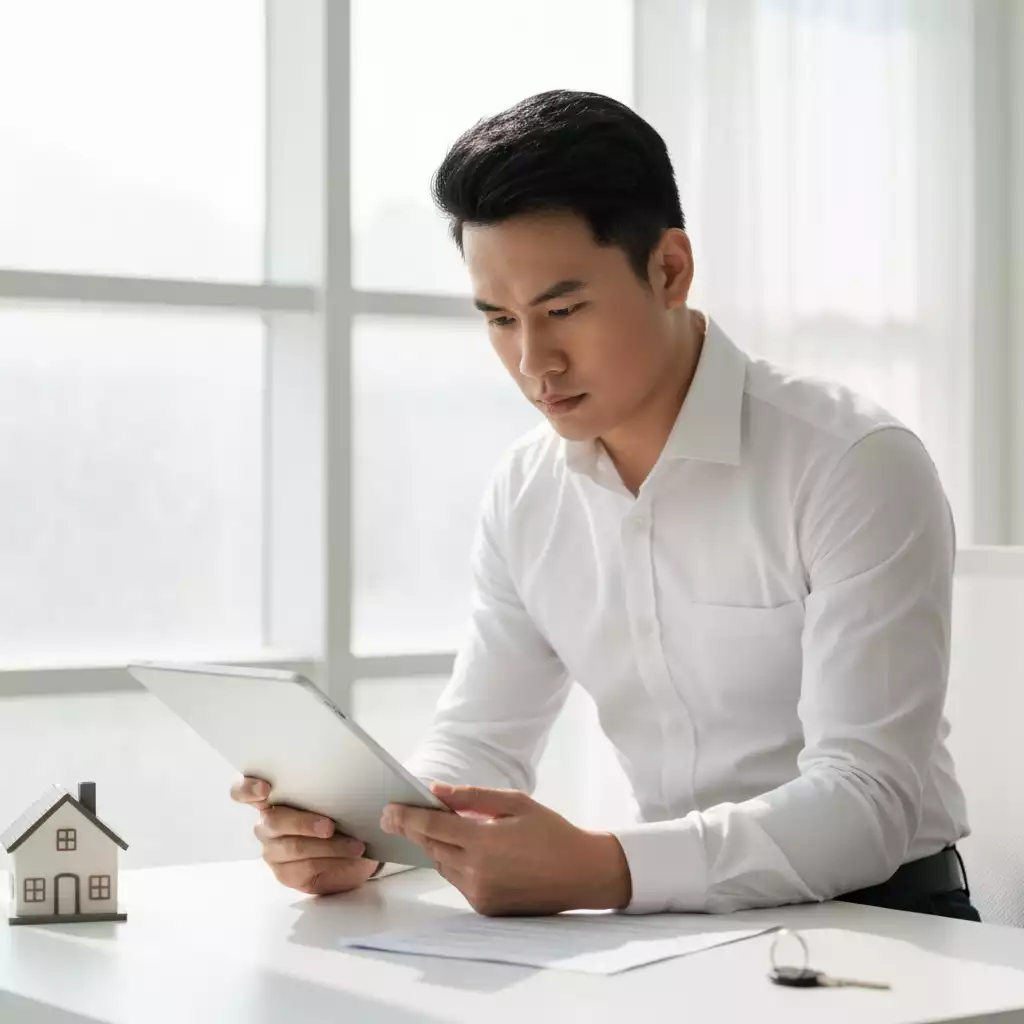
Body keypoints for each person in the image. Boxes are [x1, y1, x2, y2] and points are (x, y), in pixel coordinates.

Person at [232, 89, 979, 921]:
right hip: (672, 925)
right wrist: (370, 840)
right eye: (499, 320)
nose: (532, 361)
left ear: (669, 269)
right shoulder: (527, 490)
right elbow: (479, 742)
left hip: (890, 925)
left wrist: (604, 869)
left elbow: (864, 803)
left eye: (563, 310)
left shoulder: (852, 464)